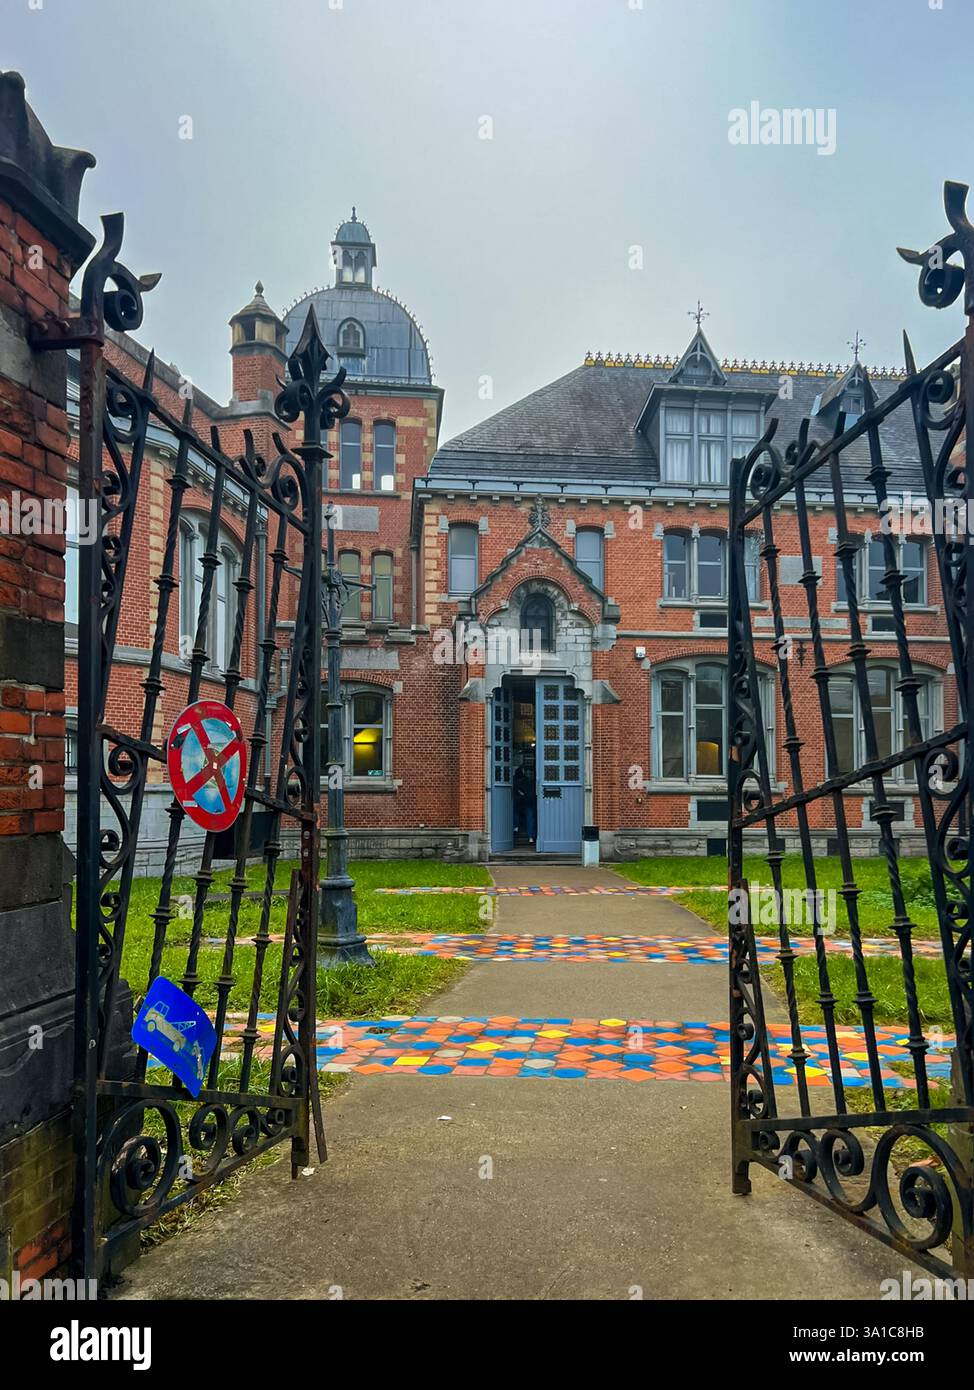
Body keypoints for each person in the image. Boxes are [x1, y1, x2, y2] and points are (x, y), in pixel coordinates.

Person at [513, 760, 536, 843]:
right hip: (532, 801)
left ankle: (530, 836)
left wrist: (522, 794)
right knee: (531, 819)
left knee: (530, 818)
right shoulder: (531, 781)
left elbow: (518, 790)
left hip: (528, 802)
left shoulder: (524, 781)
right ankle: (531, 836)